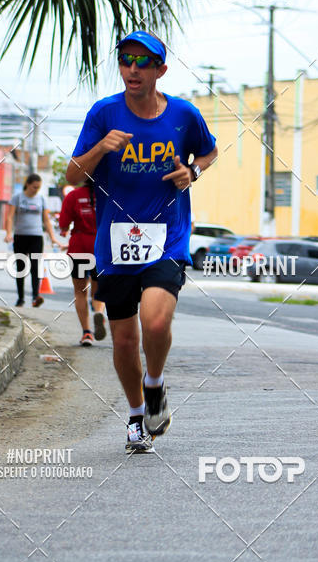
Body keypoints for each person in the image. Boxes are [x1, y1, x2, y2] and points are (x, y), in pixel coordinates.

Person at [66, 30, 217, 453]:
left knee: (154, 322)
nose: (132, 69)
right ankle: (136, 416)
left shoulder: (184, 115)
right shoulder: (104, 113)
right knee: (125, 340)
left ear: (160, 70)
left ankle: (155, 384)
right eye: (126, 60)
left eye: (143, 62)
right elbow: (73, 175)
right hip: (114, 244)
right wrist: (101, 147)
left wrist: (192, 172)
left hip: (167, 237)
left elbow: (209, 152)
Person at [59, 176, 106, 346]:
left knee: (80, 292)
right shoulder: (107, 195)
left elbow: (63, 224)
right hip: (101, 247)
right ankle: (98, 312)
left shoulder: (73, 196)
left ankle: (86, 333)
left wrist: (65, 229)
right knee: (98, 290)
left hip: (79, 247)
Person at [4, 173, 64, 307]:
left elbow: (46, 220)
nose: (36, 190)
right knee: (21, 267)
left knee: (35, 267)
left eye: (38, 187)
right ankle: (20, 298)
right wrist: (8, 233)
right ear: (28, 184)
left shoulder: (41, 199)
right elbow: (10, 217)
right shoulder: (18, 197)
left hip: (36, 237)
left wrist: (53, 237)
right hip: (20, 236)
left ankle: (35, 297)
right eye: (34, 187)